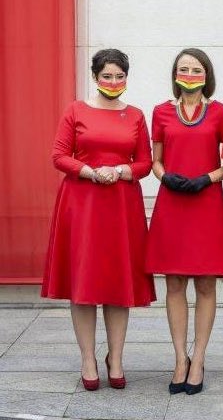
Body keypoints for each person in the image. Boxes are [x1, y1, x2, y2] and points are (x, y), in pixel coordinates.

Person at [42, 49, 156, 391]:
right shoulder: (75, 109)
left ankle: (116, 358)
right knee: (84, 282)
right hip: (83, 204)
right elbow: (59, 155)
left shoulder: (135, 115)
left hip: (122, 205)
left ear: (126, 78)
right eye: (107, 76)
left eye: (119, 76)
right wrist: (90, 171)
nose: (113, 82)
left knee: (118, 284)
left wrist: (121, 170)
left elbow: (145, 163)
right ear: (95, 77)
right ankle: (88, 358)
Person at [146, 49, 223, 396]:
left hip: (206, 201)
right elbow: (155, 160)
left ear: (207, 74)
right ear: (175, 74)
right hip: (173, 202)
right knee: (175, 283)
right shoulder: (161, 112)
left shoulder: (222, 112)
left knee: (207, 285)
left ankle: (199, 358)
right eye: (183, 69)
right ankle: (179, 357)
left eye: (196, 69)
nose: (190, 74)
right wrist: (164, 177)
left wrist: (207, 178)